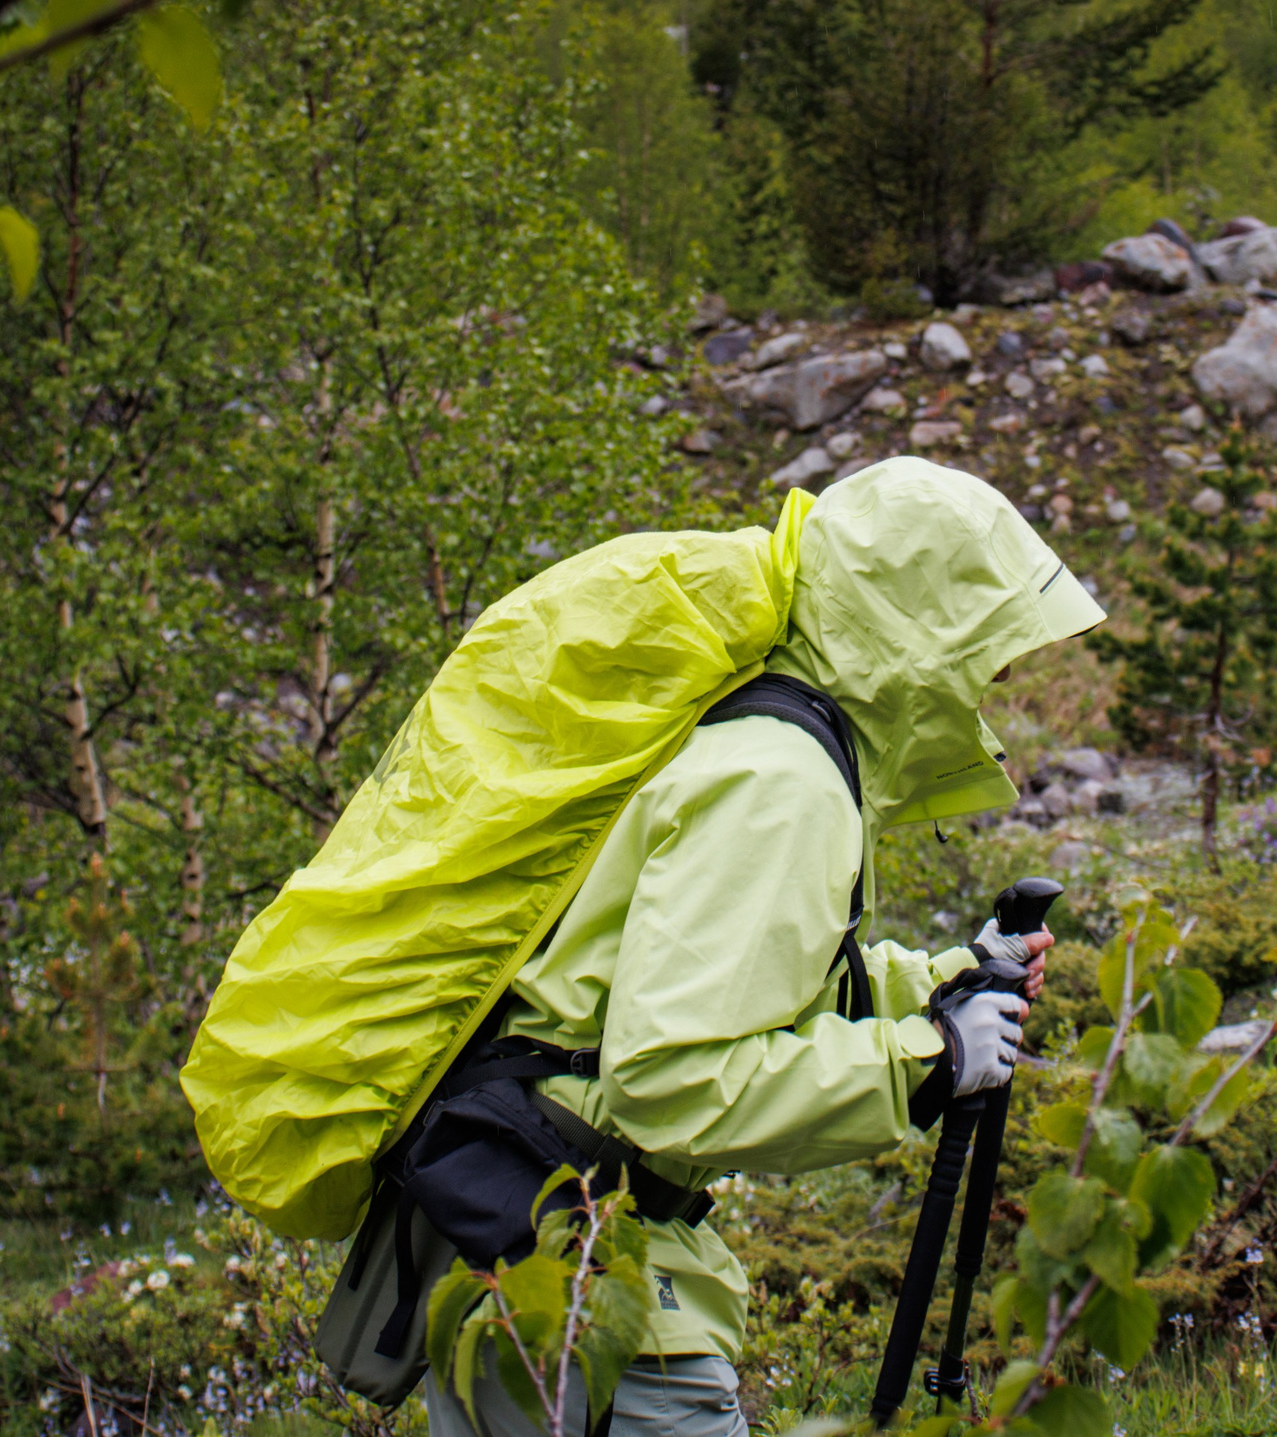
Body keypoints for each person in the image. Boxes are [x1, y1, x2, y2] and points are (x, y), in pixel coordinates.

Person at [424, 458, 1107, 1437]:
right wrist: (931, 1060)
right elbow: (666, 1079)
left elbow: (729, 978)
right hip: (599, 1302)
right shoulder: (780, 783)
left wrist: (945, 981)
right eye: (989, 639)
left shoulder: (764, 741)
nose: (1004, 674)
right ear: (919, 625)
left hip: (531, 1255)